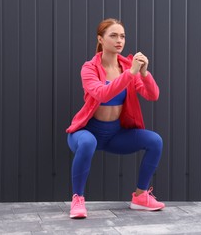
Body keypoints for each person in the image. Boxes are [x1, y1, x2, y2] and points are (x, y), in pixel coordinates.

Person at [66, 18, 164, 219]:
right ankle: (77, 200)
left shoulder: (128, 67)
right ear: (100, 39)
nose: (119, 40)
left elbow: (153, 95)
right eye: (113, 35)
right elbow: (102, 94)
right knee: (87, 142)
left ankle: (140, 197)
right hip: (87, 131)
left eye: (122, 36)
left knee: (155, 141)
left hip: (114, 135)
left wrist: (144, 73)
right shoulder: (89, 68)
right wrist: (131, 73)